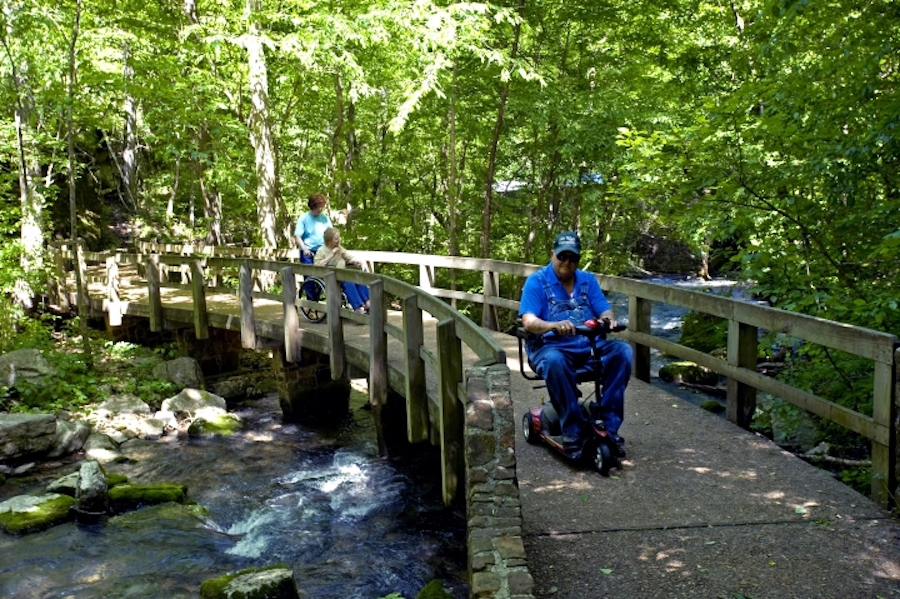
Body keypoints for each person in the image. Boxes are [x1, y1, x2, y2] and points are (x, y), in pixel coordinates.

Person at [518, 231, 632, 458]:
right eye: (562, 256)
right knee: (554, 360)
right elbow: (528, 321)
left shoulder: (588, 281)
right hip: (550, 348)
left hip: (589, 347)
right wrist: (552, 325)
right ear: (552, 255)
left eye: (573, 258)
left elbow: (604, 309)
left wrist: (607, 320)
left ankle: (608, 426)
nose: (567, 262)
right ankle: (572, 428)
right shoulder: (537, 282)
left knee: (622, 351)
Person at [314, 227, 371, 314]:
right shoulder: (321, 251)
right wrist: (331, 255)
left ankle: (367, 303)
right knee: (348, 282)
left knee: (357, 278)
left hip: (343, 274)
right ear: (329, 240)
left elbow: (348, 257)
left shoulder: (340, 248)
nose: (338, 240)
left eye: (339, 238)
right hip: (330, 276)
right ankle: (357, 307)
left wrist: (358, 261)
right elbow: (317, 265)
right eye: (336, 239)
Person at [294, 193, 332, 300]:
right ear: (312, 206)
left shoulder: (324, 218)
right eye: (318, 207)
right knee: (310, 278)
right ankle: (311, 302)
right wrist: (305, 249)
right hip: (308, 252)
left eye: (322, 207)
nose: (320, 209)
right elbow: (298, 236)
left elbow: (331, 233)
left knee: (322, 277)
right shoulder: (304, 218)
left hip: (322, 251)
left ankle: (318, 299)